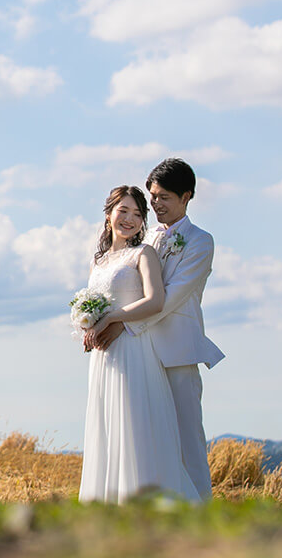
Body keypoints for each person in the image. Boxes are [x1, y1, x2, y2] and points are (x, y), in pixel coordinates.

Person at [92, 158, 224, 500]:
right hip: (140, 355)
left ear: (186, 196)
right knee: (146, 439)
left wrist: (120, 323)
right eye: (152, 196)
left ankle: (200, 513)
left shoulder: (200, 242)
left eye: (164, 197)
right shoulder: (144, 237)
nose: (155, 204)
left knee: (185, 438)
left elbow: (171, 298)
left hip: (176, 352)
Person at [77, 184, 199, 503]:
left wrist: (113, 318)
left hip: (134, 349)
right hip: (104, 356)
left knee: (134, 429)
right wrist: (87, 324)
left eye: (136, 213)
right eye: (123, 211)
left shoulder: (143, 254)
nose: (129, 219)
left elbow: (155, 301)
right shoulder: (99, 261)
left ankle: (145, 503)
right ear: (108, 216)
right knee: (106, 427)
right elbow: (94, 303)